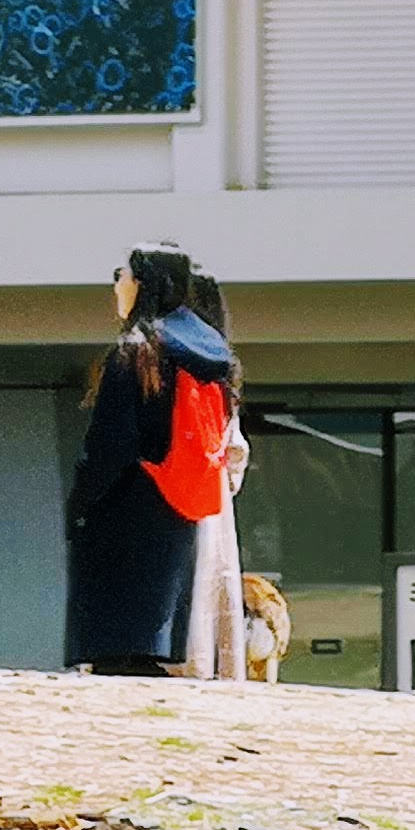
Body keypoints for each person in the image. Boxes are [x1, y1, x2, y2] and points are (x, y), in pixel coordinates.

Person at [66, 243, 235, 676]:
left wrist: (82, 496)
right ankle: (147, 658)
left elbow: (111, 440)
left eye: (122, 276)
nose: (117, 286)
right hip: (177, 497)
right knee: (154, 618)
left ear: (143, 284)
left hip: (127, 498)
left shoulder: (137, 349)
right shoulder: (209, 352)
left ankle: (120, 663)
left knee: (115, 636)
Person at [177, 273, 253, 681]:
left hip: (181, 491)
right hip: (214, 498)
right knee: (212, 588)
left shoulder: (177, 362)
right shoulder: (224, 369)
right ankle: (210, 667)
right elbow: (236, 452)